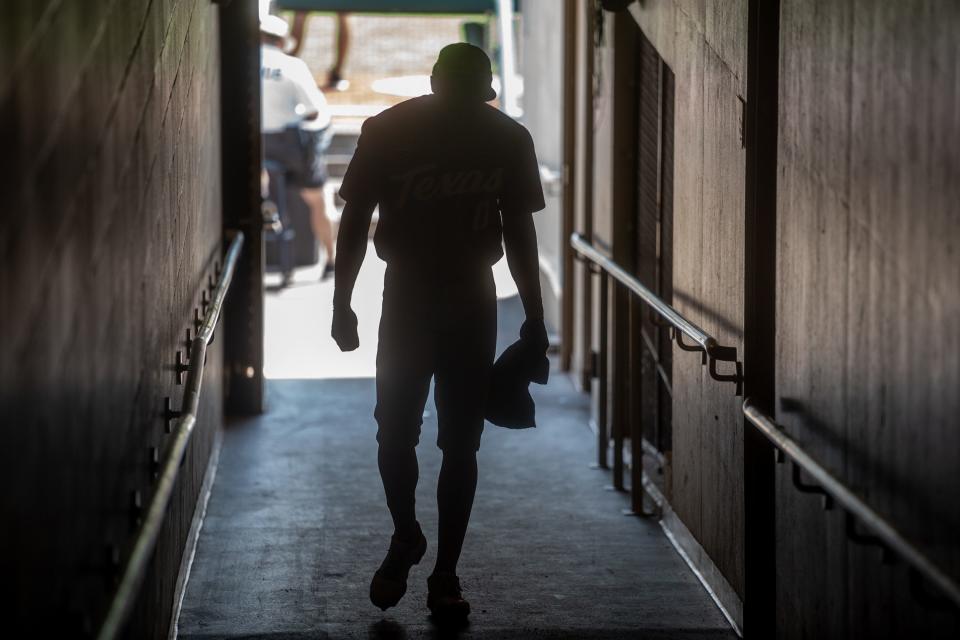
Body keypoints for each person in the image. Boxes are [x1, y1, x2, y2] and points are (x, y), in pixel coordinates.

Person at [331, 43, 548, 621]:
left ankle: (433, 559)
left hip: (422, 296)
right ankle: (422, 552)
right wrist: (533, 313)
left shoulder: (393, 129)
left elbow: (356, 219)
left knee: (421, 435)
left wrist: (343, 302)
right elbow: (519, 233)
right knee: (439, 438)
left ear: (433, 81)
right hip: (455, 298)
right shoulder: (502, 135)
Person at [260, 14, 336, 280]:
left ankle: (266, 202)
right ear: (281, 41)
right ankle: (331, 258)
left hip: (256, 144)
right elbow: (316, 111)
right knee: (319, 196)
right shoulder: (291, 65)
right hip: (289, 145)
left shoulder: (239, 61)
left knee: (261, 172)